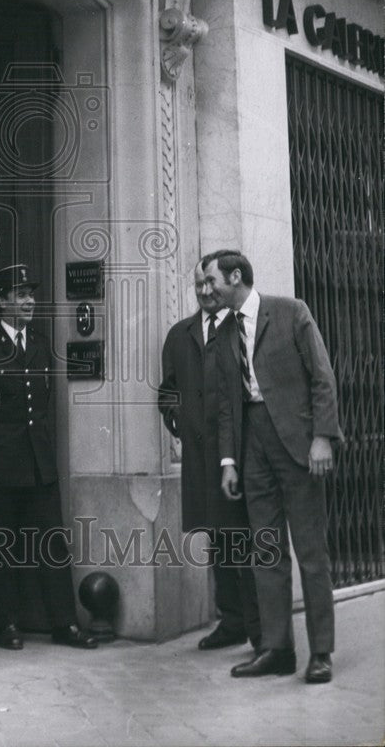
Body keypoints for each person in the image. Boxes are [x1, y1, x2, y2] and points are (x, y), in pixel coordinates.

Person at [202, 249, 343, 683]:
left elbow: (322, 376)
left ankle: (320, 652)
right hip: (252, 450)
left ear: (236, 276)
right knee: (267, 552)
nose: (206, 290)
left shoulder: (290, 313)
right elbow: (228, 403)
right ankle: (277, 649)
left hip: (298, 445)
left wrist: (323, 437)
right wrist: (229, 462)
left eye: (212, 281)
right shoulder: (224, 333)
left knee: (310, 552)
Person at [0, 263, 97, 651]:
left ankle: (64, 623)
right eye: (20, 295)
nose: (29, 301)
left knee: (52, 545)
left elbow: (41, 405)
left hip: (38, 462)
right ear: (1, 301)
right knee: (0, 545)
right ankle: (6, 622)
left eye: (31, 295)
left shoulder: (40, 344)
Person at [159, 261, 261, 652]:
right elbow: (167, 391)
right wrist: (178, 421)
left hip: (238, 455)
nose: (204, 291)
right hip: (201, 458)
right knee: (218, 540)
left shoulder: (239, 327)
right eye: (198, 284)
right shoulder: (179, 334)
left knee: (245, 541)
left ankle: (259, 630)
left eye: (209, 283)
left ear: (224, 285)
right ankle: (231, 620)